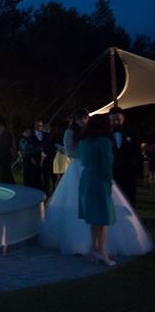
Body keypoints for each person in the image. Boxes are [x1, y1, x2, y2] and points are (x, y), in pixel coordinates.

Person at [40, 108, 153, 257]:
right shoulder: (75, 134)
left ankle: (98, 246)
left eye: (86, 118)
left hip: (92, 169)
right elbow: (70, 151)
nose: (84, 121)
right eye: (81, 118)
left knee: (101, 207)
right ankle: (92, 246)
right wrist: (91, 156)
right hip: (80, 168)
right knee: (85, 204)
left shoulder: (93, 135)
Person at [78, 113, 117, 265]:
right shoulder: (104, 142)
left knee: (94, 219)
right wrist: (109, 183)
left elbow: (82, 161)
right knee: (102, 219)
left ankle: (94, 249)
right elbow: (107, 166)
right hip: (99, 181)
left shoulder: (84, 141)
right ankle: (102, 253)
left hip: (86, 179)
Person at [110, 107, 141, 207]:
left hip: (128, 171)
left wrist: (139, 171)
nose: (116, 122)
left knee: (129, 198)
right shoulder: (105, 134)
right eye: (113, 120)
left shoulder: (132, 131)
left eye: (118, 119)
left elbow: (137, 152)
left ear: (123, 118)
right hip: (112, 171)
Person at [34, 120, 55, 193]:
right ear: (35, 126)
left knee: (46, 176)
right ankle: (38, 190)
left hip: (46, 159)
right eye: (38, 125)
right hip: (36, 159)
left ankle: (46, 190)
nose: (40, 127)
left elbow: (49, 145)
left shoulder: (46, 135)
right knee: (37, 176)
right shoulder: (32, 135)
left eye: (41, 125)